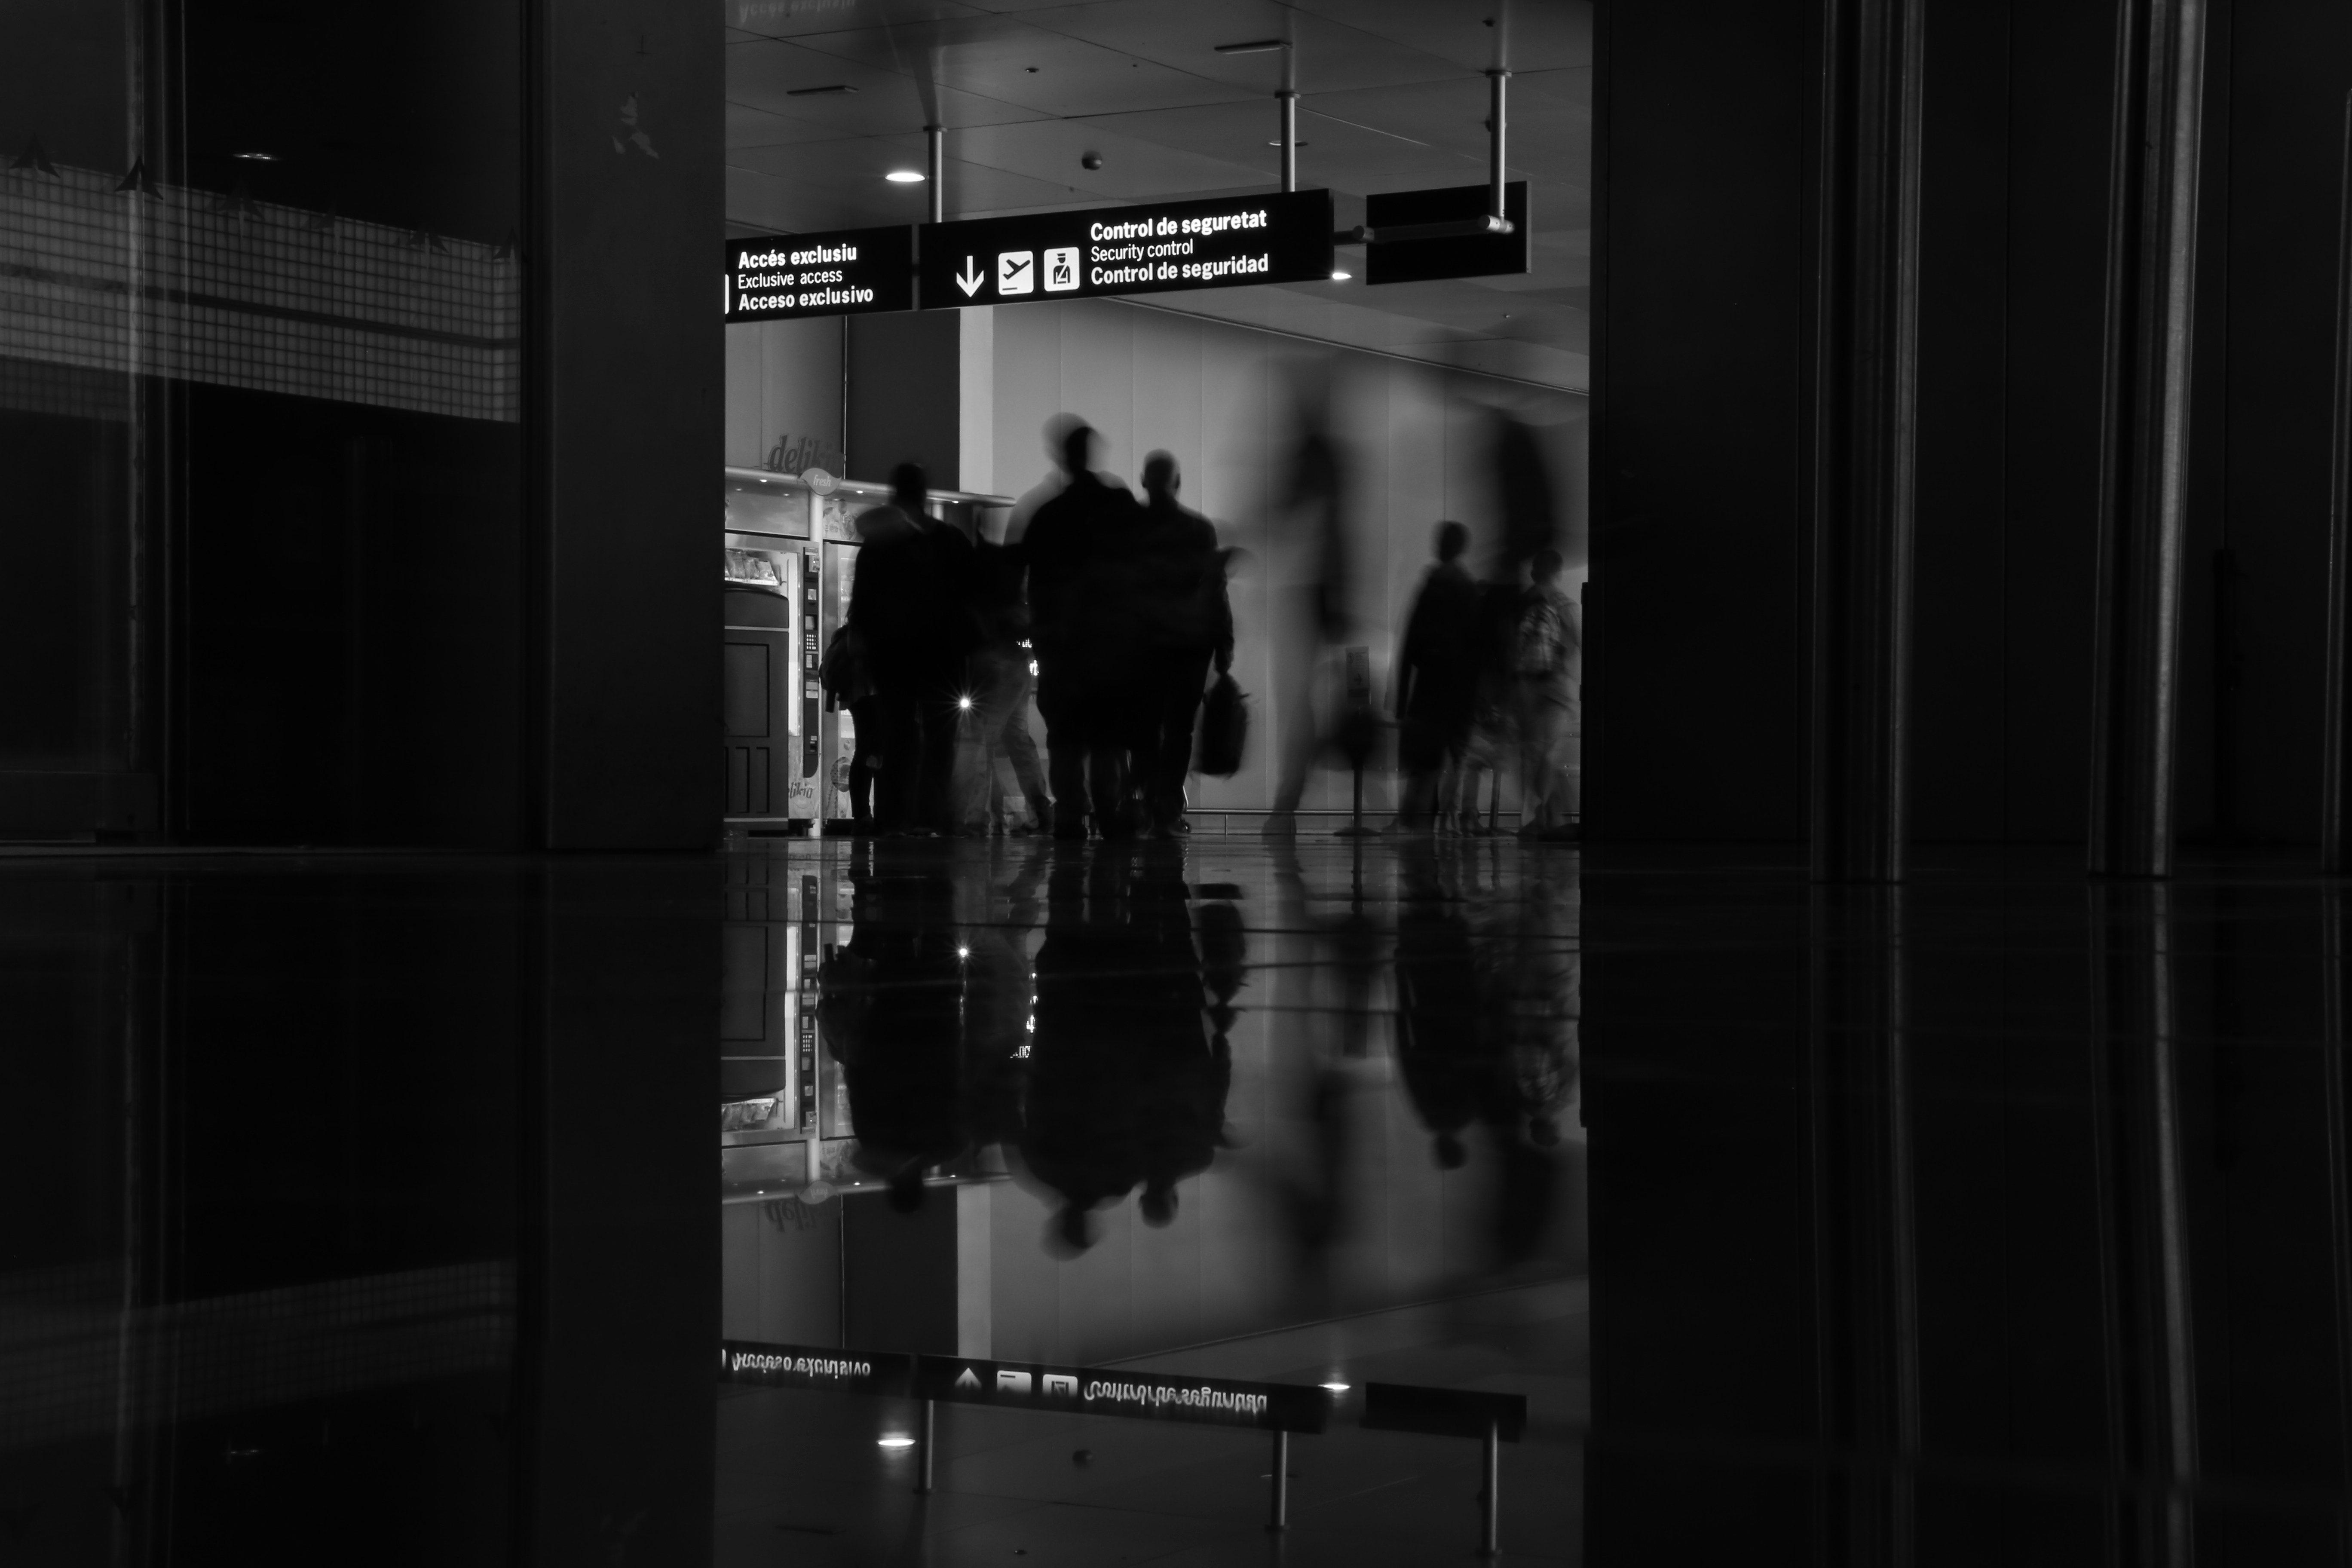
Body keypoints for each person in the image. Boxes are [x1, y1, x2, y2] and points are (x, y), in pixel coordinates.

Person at [1021, 421, 1140, 839]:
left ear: (1061, 457)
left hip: (1062, 647)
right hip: (1110, 645)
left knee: (1066, 735)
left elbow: (1029, 577)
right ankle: (1109, 810)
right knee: (1109, 735)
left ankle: (1071, 813)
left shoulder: (1047, 513)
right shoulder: (1119, 504)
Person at [847, 463, 966, 833]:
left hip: (892, 660)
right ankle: (933, 814)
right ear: (925, 496)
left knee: (897, 736)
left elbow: (862, 604)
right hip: (942, 659)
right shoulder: (949, 541)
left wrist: (862, 651)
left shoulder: (878, 546)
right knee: (940, 739)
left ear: (895, 495)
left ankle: (893, 816)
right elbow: (970, 596)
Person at [1130, 453, 1232, 838]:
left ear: (1143, 481)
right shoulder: (1199, 530)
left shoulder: (1130, 528)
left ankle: (1146, 802)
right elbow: (1215, 590)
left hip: (1142, 646)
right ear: (1178, 482)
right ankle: (1167, 810)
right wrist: (1224, 644)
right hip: (1190, 645)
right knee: (1179, 730)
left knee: (1142, 729)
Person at [956, 508, 1052, 834]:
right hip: (1016, 666)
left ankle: (974, 816)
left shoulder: (974, 567)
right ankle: (1040, 810)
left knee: (979, 737)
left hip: (992, 663)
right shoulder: (1012, 568)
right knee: (1017, 739)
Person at [1390, 521, 1479, 831]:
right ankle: (1447, 822)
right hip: (1459, 692)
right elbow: (1476, 648)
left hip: (1428, 690)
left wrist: (1401, 699)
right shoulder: (1468, 589)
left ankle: (1418, 826)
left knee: (1424, 765)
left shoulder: (1429, 587)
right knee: (1455, 760)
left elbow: (1409, 645)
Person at [1512, 548, 1581, 841]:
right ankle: (1548, 819)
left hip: (1526, 689)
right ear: (1559, 572)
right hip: (1556, 691)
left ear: (1533, 573)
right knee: (1546, 755)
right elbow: (1582, 641)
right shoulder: (1566, 605)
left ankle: (1545, 818)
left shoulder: (1521, 604)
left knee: (1534, 755)